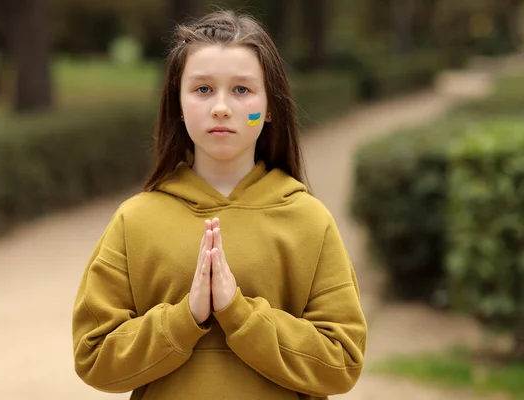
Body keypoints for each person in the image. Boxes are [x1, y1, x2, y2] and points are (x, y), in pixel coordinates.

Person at [72, 10, 367, 400]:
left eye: (242, 90)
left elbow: (342, 362)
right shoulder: (135, 220)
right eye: (203, 89)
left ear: (271, 105)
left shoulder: (309, 221)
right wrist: (185, 317)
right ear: (178, 102)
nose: (222, 107)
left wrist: (238, 313)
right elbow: (93, 357)